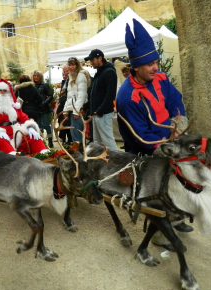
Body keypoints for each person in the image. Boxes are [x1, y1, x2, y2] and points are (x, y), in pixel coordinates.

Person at [116, 18, 193, 233]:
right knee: (161, 185)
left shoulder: (160, 78)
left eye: (156, 62)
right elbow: (141, 137)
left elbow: (175, 101)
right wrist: (168, 146)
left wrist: (179, 124)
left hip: (171, 138)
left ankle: (176, 217)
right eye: (150, 64)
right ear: (136, 67)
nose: (156, 68)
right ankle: (159, 232)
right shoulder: (127, 98)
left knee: (186, 176)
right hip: (148, 149)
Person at [0, 78, 50, 155]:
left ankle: (46, 157)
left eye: (5, 90)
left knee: (33, 138)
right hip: (1, 135)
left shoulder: (12, 105)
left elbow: (23, 117)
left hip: (17, 132)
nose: (2, 93)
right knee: (1, 140)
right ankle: (13, 161)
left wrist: (30, 127)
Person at [82, 49, 118, 151]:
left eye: (92, 60)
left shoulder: (109, 72)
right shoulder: (99, 73)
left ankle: (117, 165)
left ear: (100, 58)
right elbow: (95, 95)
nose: (91, 63)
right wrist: (86, 106)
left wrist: (100, 110)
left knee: (108, 143)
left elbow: (110, 94)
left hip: (103, 114)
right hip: (97, 113)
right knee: (97, 144)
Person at [62, 57, 88, 143]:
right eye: (69, 65)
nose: (71, 67)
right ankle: (77, 153)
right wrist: (65, 110)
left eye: (73, 64)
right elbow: (70, 96)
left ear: (77, 65)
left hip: (78, 110)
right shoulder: (71, 77)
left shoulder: (80, 76)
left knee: (77, 134)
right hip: (73, 110)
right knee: (74, 133)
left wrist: (76, 111)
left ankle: (80, 153)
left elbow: (82, 95)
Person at [31, 70, 54, 148]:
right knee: (39, 126)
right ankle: (42, 143)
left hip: (44, 108)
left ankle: (50, 141)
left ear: (40, 76)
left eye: (37, 75)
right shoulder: (32, 86)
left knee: (46, 125)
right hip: (36, 109)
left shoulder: (44, 85)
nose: (36, 77)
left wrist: (44, 103)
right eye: (35, 76)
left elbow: (50, 95)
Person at [55, 64, 72, 144]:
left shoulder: (70, 81)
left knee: (67, 124)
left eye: (66, 72)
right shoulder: (63, 82)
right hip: (61, 107)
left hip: (67, 106)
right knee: (62, 123)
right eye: (63, 72)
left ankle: (69, 141)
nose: (64, 74)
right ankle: (63, 139)